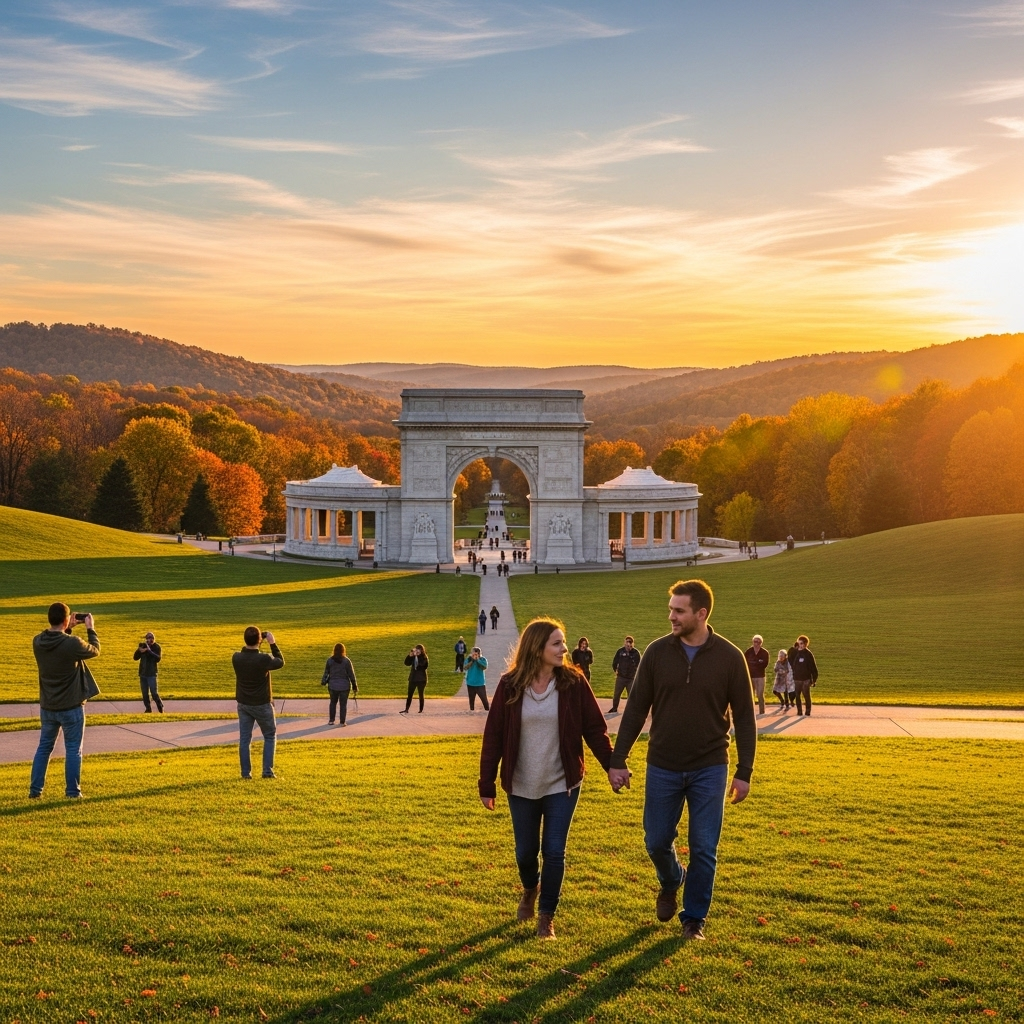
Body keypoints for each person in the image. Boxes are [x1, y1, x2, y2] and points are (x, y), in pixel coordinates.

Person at [607, 579, 756, 941]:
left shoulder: (730, 657)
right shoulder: (657, 653)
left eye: (679, 610)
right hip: (663, 764)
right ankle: (673, 878)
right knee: (656, 840)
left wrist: (744, 771)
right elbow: (636, 709)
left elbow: (745, 718)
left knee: (705, 846)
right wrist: (617, 759)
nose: (671, 616)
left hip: (710, 766)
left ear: (701, 614)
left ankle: (694, 920)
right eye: (671, 608)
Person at [478, 617, 613, 939]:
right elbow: (493, 736)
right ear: (537, 648)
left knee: (554, 850)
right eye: (557, 643)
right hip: (521, 784)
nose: (564, 649)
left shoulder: (573, 683)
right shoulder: (510, 684)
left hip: (561, 783)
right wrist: (486, 784)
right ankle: (530, 888)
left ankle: (546, 917)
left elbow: (595, 729)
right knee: (526, 852)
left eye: (563, 642)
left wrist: (613, 766)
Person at [30, 603, 100, 800]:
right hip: (71, 706)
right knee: (73, 749)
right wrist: (90, 628)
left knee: (44, 747)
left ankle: (35, 790)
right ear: (65, 619)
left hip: (48, 705)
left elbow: (58, 644)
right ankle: (72, 792)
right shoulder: (72, 643)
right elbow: (95, 650)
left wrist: (68, 628)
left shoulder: (37, 642)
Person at [232, 626, 284, 780]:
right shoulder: (264, 659)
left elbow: (249, 654)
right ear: (259, 641)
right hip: (262, 703)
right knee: (269, 735)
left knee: (245, 739)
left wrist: (257, 641)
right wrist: (272, 643)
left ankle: (245, 773)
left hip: (244, 703)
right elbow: (280, 662)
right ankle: (267, 771)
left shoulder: (236, 657)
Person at [322, 642, 357, 725]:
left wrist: (324, 681)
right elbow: (351, 674)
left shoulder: (330, 661)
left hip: (333, 685)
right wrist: (354, 685)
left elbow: (326, 673)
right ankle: (342, 721)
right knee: (343, 704)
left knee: (333, 703)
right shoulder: (346, 661)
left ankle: (331, 720)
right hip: (344, 686)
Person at [609, 636, 641, 715]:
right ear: (624, 642)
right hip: (621, 677)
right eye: (627, 642)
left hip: (631, 678)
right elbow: (615, 662)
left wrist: (636, 674)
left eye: (630, 643)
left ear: (633, 644)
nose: (628, 644)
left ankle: (631, 710)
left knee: (631, 695)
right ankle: (614, 708)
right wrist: (615, 670)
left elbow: (640, 665)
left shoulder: (636, 653)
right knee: (617, 694)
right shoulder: (620, 651)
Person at [788, 635, 818, 716]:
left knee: (806, 695)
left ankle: (807, 711)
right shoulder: (795, 652)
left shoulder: (808, 654)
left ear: (805, 644)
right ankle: (799, 711)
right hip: (797, 678)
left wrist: (814, 679)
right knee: (797, 695)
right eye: (799, 643)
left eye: (801, 643)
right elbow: (790, 660)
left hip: (806, 679)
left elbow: (813, 667)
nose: (800, 645)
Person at [133, 631, 163, 713]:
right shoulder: (143, 646)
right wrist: (139, 650)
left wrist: (149, 651)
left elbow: (158, 659)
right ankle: (148, 709)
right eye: (147, 638)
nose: (149, 639)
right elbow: (135, 658)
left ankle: (160, 706)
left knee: (154, 693)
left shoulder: (157, 647)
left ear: (153, 639)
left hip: (152, 674)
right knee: (145, 694)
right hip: (143, 674)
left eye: (150, 638)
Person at [743, 634, 770, 715]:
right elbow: (745, 662)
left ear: (761, 643)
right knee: (750, 694)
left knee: (760, 694)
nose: (756, 643)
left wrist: (755, 664)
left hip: (760, 676)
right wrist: (757, 663)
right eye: (755, 641)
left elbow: (765, 664)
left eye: (758, 642)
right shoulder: (749, 652)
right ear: (753, 642)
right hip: (750, 676)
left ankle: (762, 711)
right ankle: (750, 711)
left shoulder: (764, 653)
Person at [401, 644, 428, 714]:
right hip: (413, 678)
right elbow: (406, 663)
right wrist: (410, 655)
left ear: (422, 650)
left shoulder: (424, 658)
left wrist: (417, 656)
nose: (417, 651)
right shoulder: (413, 657)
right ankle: (406, 709)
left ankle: (420, 710)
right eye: (416, 649)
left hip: (421, 679)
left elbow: (422, 666)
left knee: (421, 694)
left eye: (418, 649)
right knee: (409, 694)